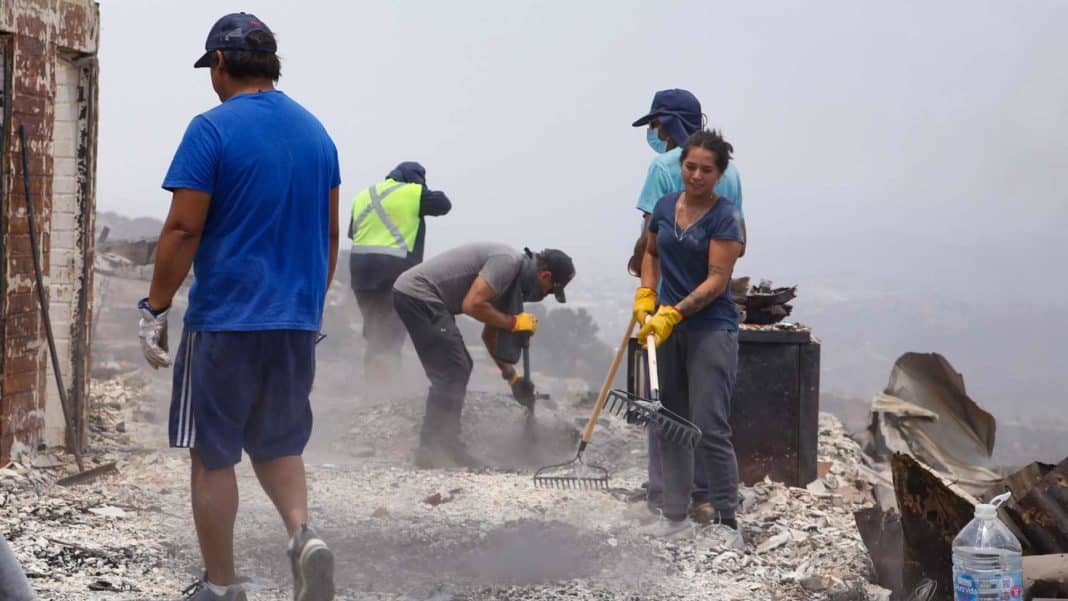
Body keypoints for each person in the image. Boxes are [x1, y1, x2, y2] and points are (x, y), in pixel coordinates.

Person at [137, 13, 339, 601]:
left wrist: (156, 306)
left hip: (227, 318)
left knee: (213, 452)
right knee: (279, 443)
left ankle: (221, 586)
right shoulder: (318, 134)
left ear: (220, 64)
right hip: (296, 319)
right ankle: (303, 536)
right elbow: (328, 235)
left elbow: (181, 229)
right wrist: (308, 306)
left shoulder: (212, 129)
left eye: (212, 70)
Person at [628, 89, 744, 525]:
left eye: (705, 170)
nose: (696, 175)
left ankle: (726, 516)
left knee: (709, 425)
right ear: (682, 167)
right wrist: (646, 294)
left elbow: (718, 280)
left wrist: (675, 312)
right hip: (666, 325)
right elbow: (651, 251)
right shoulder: (664, 206)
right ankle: (674, 514)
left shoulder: (725, 216)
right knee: (669, 422)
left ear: (719, 174)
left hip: (710, 327)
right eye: (690, 167)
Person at [392, 243, 575, 468]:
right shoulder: (507, 264)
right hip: (418, 294)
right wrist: (513, 322)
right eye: (549, 290)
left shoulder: (512, 284)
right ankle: (434, 448)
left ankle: (443, 445)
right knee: (453, 369)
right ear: (545, 275)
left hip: (422, 297)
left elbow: (490, 336)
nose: (544, 296)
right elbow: (472, 305)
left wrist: (512, 378)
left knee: (458, 367)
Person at [348, 161, 451, 394]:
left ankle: (371, 389)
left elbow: (352, 232)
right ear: (415, 179)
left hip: (361, 274)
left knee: (375, 333)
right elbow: (444, 203)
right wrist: (420, 188)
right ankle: (383, 393)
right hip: (393, 273)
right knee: (391, 334)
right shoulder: (413, 192)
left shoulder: (364, 195)